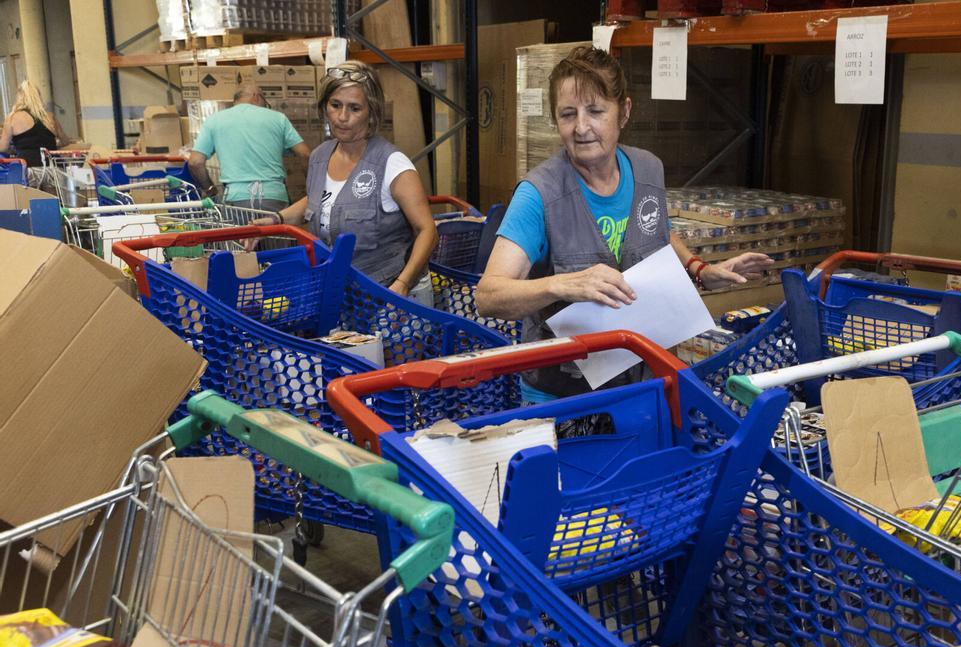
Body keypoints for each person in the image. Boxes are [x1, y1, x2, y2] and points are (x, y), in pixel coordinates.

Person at [477, 46, 772, 403]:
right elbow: (489, 295)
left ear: (624, 112)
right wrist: (563, 284)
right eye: (568, 114)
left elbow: (654, 233)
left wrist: (699, 269)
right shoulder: (540, 194)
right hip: (565, 397)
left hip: (646, 379)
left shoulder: (648, 170)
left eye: (596, 111)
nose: (581, 127)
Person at [253, 61, 437, 304]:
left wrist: (402, 284)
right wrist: (278, 219)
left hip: (393, 293)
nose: (342, 117)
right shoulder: (320, 156)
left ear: (371, 112)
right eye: (335, 105)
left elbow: (427, 231)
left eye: (355, 108)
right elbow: (321, 198)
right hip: (346, 293)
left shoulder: (391, 163)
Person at [188, 83, 310, 212]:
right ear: (256, 97)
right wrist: (311, 188)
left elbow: (195, 162)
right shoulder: (278, 118)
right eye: (265, 102)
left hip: (234, 199)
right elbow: (305, 154)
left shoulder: (214, 120)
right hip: (274, 197)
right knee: (275, 232)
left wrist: (210, 190)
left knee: (240, 232)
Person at [0, 80, 66, 168]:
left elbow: (3, 148)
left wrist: (14, 149)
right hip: (54, 169)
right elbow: (65, 141)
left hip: (29, 171)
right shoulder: (49, 116)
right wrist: (50, 144)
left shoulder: (12, 118)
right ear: (38, 96)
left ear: (19, 97)